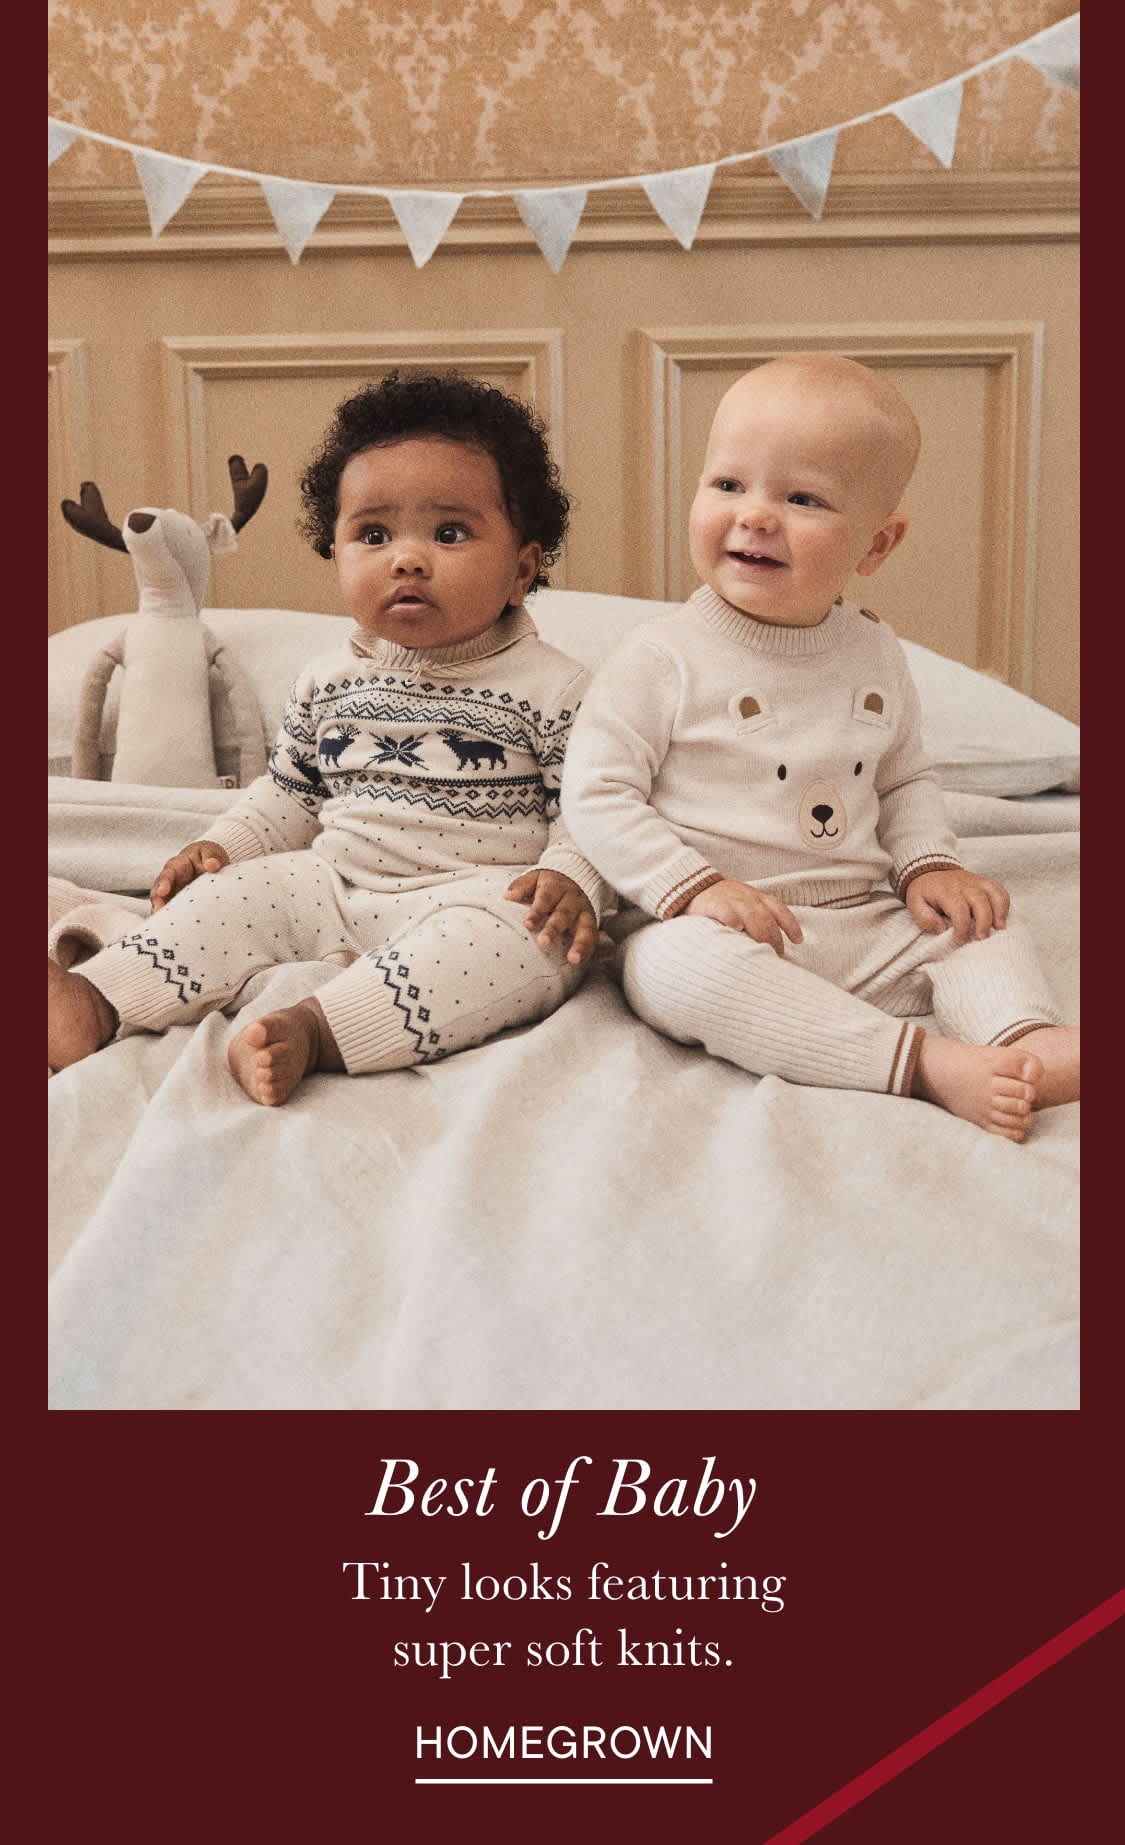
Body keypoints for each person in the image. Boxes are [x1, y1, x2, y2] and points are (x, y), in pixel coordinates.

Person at [49, 371, 609, 1105]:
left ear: (521, 569)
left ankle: (316, 1029)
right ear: (337, 552)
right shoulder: (326, 680)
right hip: (331, 881)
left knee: (534, 944)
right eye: (373, 534)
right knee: (235, 896)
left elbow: (597, 807)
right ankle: (97, 1001)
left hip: (473, 895)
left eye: (449, 532)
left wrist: (573, 876)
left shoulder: (556, 688)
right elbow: (287, 793)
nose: (406, 557)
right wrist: (225, 844)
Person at [561, 354, 1079, 1139]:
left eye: (801, 498)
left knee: (981, 922)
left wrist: (929, 864)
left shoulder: (872, 651)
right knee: (667, 972)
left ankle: (1022, 1043)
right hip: (722, 928)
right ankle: (918, 1064)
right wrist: (693, 888)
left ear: (876, 545)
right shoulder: (660, 658)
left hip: (864, 917)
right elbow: (596, 794)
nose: (756, 515)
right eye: (728, 484)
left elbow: (904, 778)